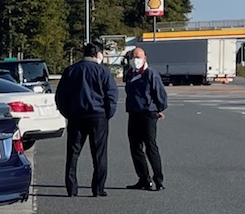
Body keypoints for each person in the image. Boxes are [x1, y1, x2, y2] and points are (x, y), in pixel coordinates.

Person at [55, 43, 119, 197]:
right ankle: (98, 188)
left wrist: (67, 113)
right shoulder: (102, 71)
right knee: (99, 154)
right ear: (97, 54)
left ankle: (71, 188)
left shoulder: (71, 70)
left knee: (73, 153)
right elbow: (111, 94)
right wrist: (107, 114)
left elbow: (60, 96)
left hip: (76, 116)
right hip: (98, 116)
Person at [123, 46, 168, 190]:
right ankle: (143, 178)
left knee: (150, 146)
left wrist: (159, 109)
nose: (135, 60)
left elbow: (159, 92)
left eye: (138, 57)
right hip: (133, 113)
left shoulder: (150, 73)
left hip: (148, 113)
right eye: (133, 57)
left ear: (144, 58)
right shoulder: (130, 74)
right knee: (135, 147)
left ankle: (158, 179)